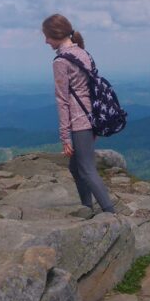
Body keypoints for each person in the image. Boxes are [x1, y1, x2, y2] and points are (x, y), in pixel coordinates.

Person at [43, 14, 115, 216]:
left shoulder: (60, 61)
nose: (45, 41)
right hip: (92, 116)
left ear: (56, 34)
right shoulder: (84, 54)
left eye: (47, 36)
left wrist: (65, 136)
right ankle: (86, 209)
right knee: (76, 168)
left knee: (86, 169)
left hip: (79, 120)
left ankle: (111, 213)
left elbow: (62, 100)